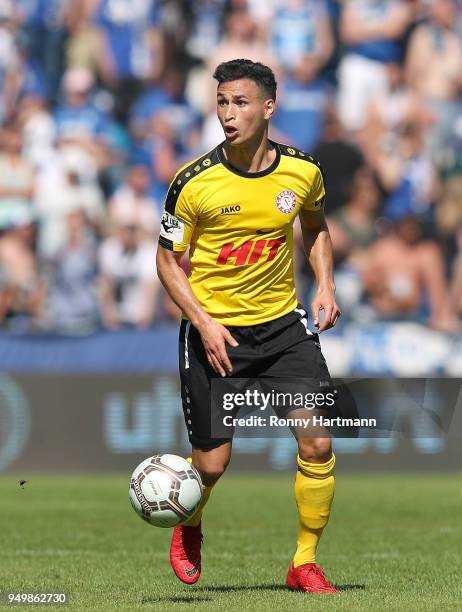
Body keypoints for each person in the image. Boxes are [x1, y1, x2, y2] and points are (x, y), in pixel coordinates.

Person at [156, 59, 341, 594]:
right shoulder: (191, 182)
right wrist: (202, 321)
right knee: (212, 466)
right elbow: (168, 261)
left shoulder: (303, 172)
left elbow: (317, 228)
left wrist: (325, 284)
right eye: (221, 102)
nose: (227, 113)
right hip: (217, 333)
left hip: (284, 329)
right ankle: (189, 521)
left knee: (317, 443)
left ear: (268, 107)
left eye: (239, 102)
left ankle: (303, 561)